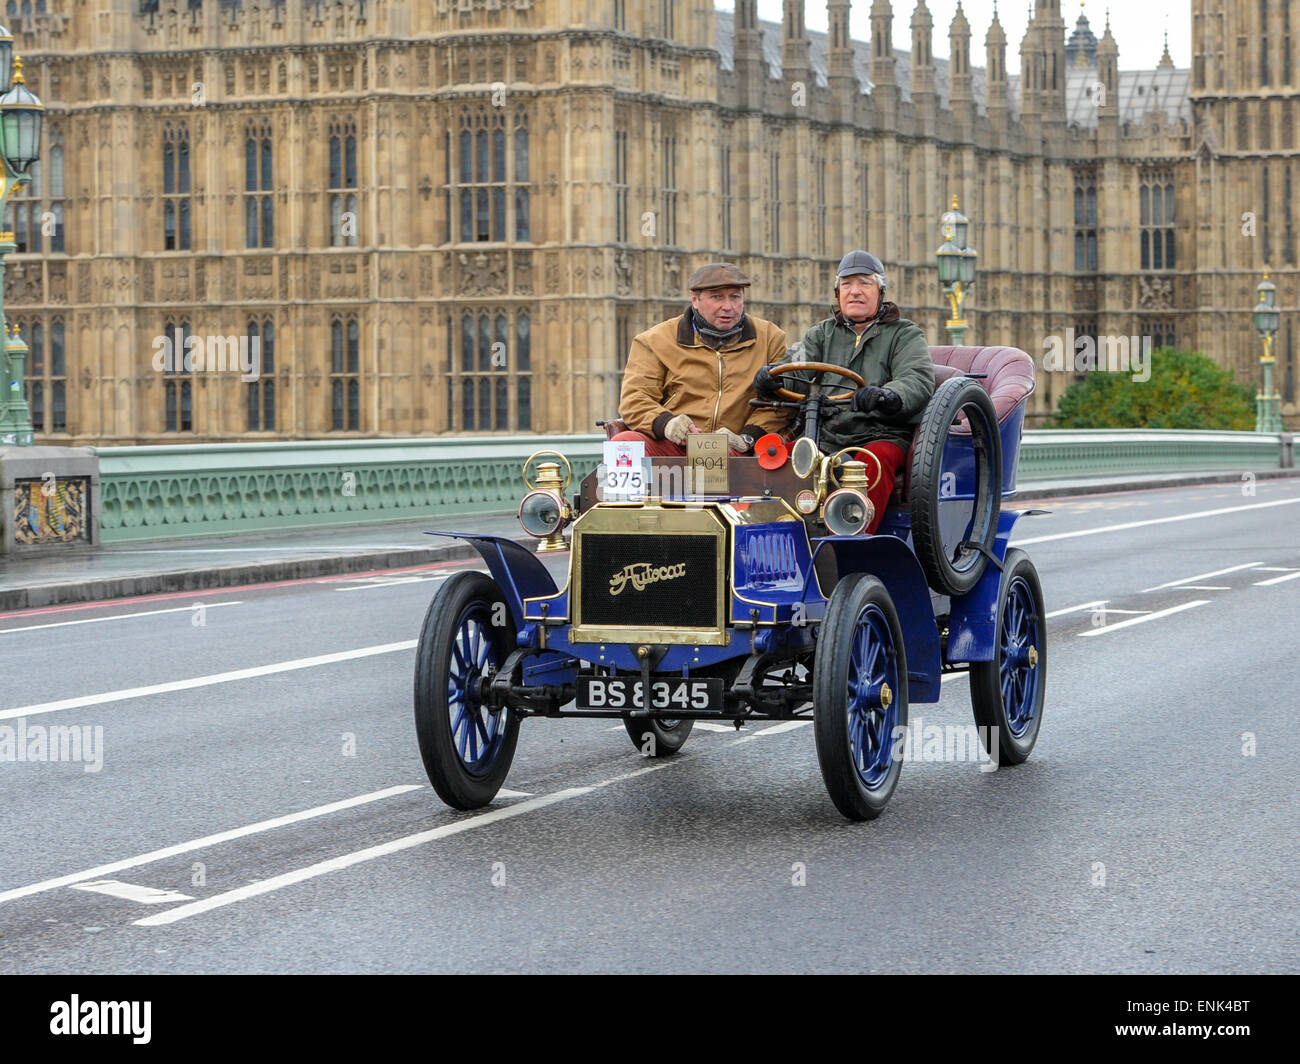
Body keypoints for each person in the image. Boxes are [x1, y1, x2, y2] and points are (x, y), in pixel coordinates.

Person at [755, 250, 934, 533]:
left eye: (864, 283)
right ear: (837, 292)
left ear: (880, 291)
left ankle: (854, 537)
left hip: (882, 434)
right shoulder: (821, 333)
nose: (855, 292)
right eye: (847, 285)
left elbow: (917, 379)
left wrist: (885, 396)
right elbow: (796, 367)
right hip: (829, 435)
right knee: (779, 460)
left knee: (868, 466)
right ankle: (777, 534)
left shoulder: (905, 334)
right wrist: (774, 379)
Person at [615, 263, 794, 456]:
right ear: (695, 300)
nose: (728, 306)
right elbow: (634, 399)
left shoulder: (770, 338)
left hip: (736, 449)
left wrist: (747, 438)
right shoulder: (655, 340)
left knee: (719, 457)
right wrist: (666, 423)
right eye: (717, 297)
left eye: (735, 297)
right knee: (624, 445)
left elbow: (782, 402)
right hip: (675, 446)